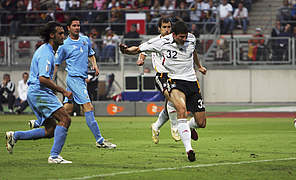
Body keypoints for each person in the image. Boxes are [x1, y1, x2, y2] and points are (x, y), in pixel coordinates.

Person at [120, 21, 207, 162]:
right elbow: (139, 50)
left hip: (192, 83)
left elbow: (193, 51)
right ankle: (189, 150)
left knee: (201, 122)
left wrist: (200, 66)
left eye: (185, 37)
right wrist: (126, 51)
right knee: (181, 109)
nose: (184, 40)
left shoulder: (191, 39)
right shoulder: (161, 42)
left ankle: (186, 127)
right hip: (174, 81)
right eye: (181, 37)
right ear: (174, 35)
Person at [5, 21, 73, 164]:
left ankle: (15, 136)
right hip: (40, 92)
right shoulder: (46, 54)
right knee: (65, 119)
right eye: (60, 34)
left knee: (50, 130)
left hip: (37, 92)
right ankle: (54, 156)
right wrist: (63, 91)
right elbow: (42, 79)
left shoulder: (47, 51)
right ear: (52, 35)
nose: (63, 36)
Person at [54, 16, 116, 149]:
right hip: (74, 79)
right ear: (68, 28)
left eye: (78, 25)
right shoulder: (64, 45)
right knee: (88, 107)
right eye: (74, 25)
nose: (77, 27)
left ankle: (39, 122)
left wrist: (95, 65)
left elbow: (90, 53)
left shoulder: (85, 40)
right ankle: (100, 140)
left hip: (79, 79)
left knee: (67, 109)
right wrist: (51, 81)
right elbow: (56, 63)